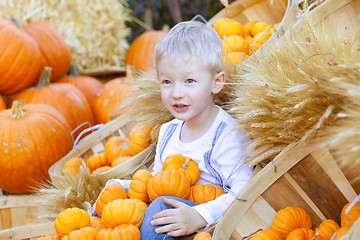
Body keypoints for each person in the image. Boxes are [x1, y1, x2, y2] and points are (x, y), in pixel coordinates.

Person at [94, 20, 253, 239]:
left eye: (189, 81)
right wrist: (122, 187)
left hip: (210, 225)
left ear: (216, 83)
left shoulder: (226, 134)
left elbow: (244, 191)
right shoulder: (168, 131)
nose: (176, 93)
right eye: (167, 82)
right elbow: (159, 183)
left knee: (161, 208)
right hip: (173, 223)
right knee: (111, 204)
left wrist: (200, 215)